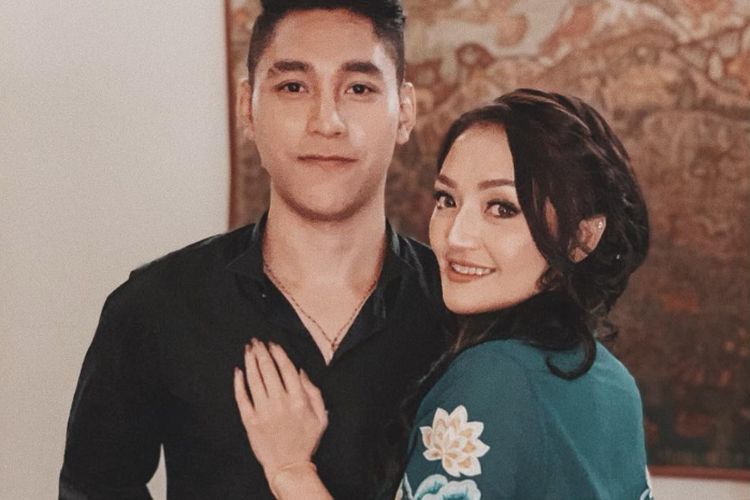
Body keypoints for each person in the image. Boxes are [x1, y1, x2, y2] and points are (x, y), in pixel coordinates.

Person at [59, 1, 447, 498]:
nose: (327, 122)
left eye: (358, 88)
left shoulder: (464, 315)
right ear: (248, 108)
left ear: (405, 111)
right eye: (293, 87)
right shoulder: (156, 306)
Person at [233, 89, 654, 499]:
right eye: (447, 200)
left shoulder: (493, 378)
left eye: (502, 208)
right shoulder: (613, 381)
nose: (455, 236)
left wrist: (290, 470)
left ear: (582, 237)